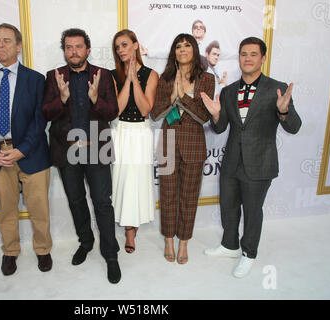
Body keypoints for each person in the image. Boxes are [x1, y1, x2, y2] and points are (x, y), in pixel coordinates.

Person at [201, 37, 301, 278]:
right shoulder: (228, 91)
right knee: (228, 206)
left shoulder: (277, 89)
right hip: (232, 162)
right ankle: (229, 246)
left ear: (263, 58)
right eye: (243, 53)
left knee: (253, 211)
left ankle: (249, 253)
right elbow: (220, 128)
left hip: (260, 162)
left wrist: (284, 110)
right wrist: (215, 115)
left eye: (253, 54)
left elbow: (294, 127)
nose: (247, 58)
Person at [0, 23, 52, 276]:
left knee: (39, 208)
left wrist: (21, 150)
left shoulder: (36, 79)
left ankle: (43, 249)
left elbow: (40, 120)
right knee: (6, 209)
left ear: (19, 46)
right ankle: (10, 251)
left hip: (31, 154)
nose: (0, 45)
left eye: (6, 40)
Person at [42, 28, 121, 284]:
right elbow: (46, 113)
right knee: (76, 201)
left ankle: (111, 255)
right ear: (64, 50)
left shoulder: (104, 75)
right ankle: (86, 242)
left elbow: (112, 112)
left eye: (78, 46)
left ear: (87, 49)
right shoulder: (53, 77)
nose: (73, 51)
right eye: (68, 47)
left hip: (97, 148)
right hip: (68, 151)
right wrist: (62, 100)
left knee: (102, 203)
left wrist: (96, 98)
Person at [151, 33, 215, 264]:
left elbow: (204, 116)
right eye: (178, 46)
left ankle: (184, 242)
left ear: (194, 50)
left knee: (189, 197)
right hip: (168, 143)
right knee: (167, 196)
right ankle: (169, 240)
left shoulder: (207, 79)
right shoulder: (164, 78)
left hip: (194, 145)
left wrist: (182, 98)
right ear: (174, 52)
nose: (182, 49)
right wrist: (172, 96)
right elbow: (156, 113)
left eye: (187, 45)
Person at [111, 29, 158, 253]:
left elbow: (145, 109)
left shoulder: (151, 74)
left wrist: (134, 80)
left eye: (125, 45)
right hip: (120, 132)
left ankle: (131, 230)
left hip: (140, 133)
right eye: (117, 47)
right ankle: (129, 227)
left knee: (136, 181)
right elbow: (117, 110)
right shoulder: (113, 75)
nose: (121, 50)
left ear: (136, 45)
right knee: (122, 180)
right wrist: (127, 80)